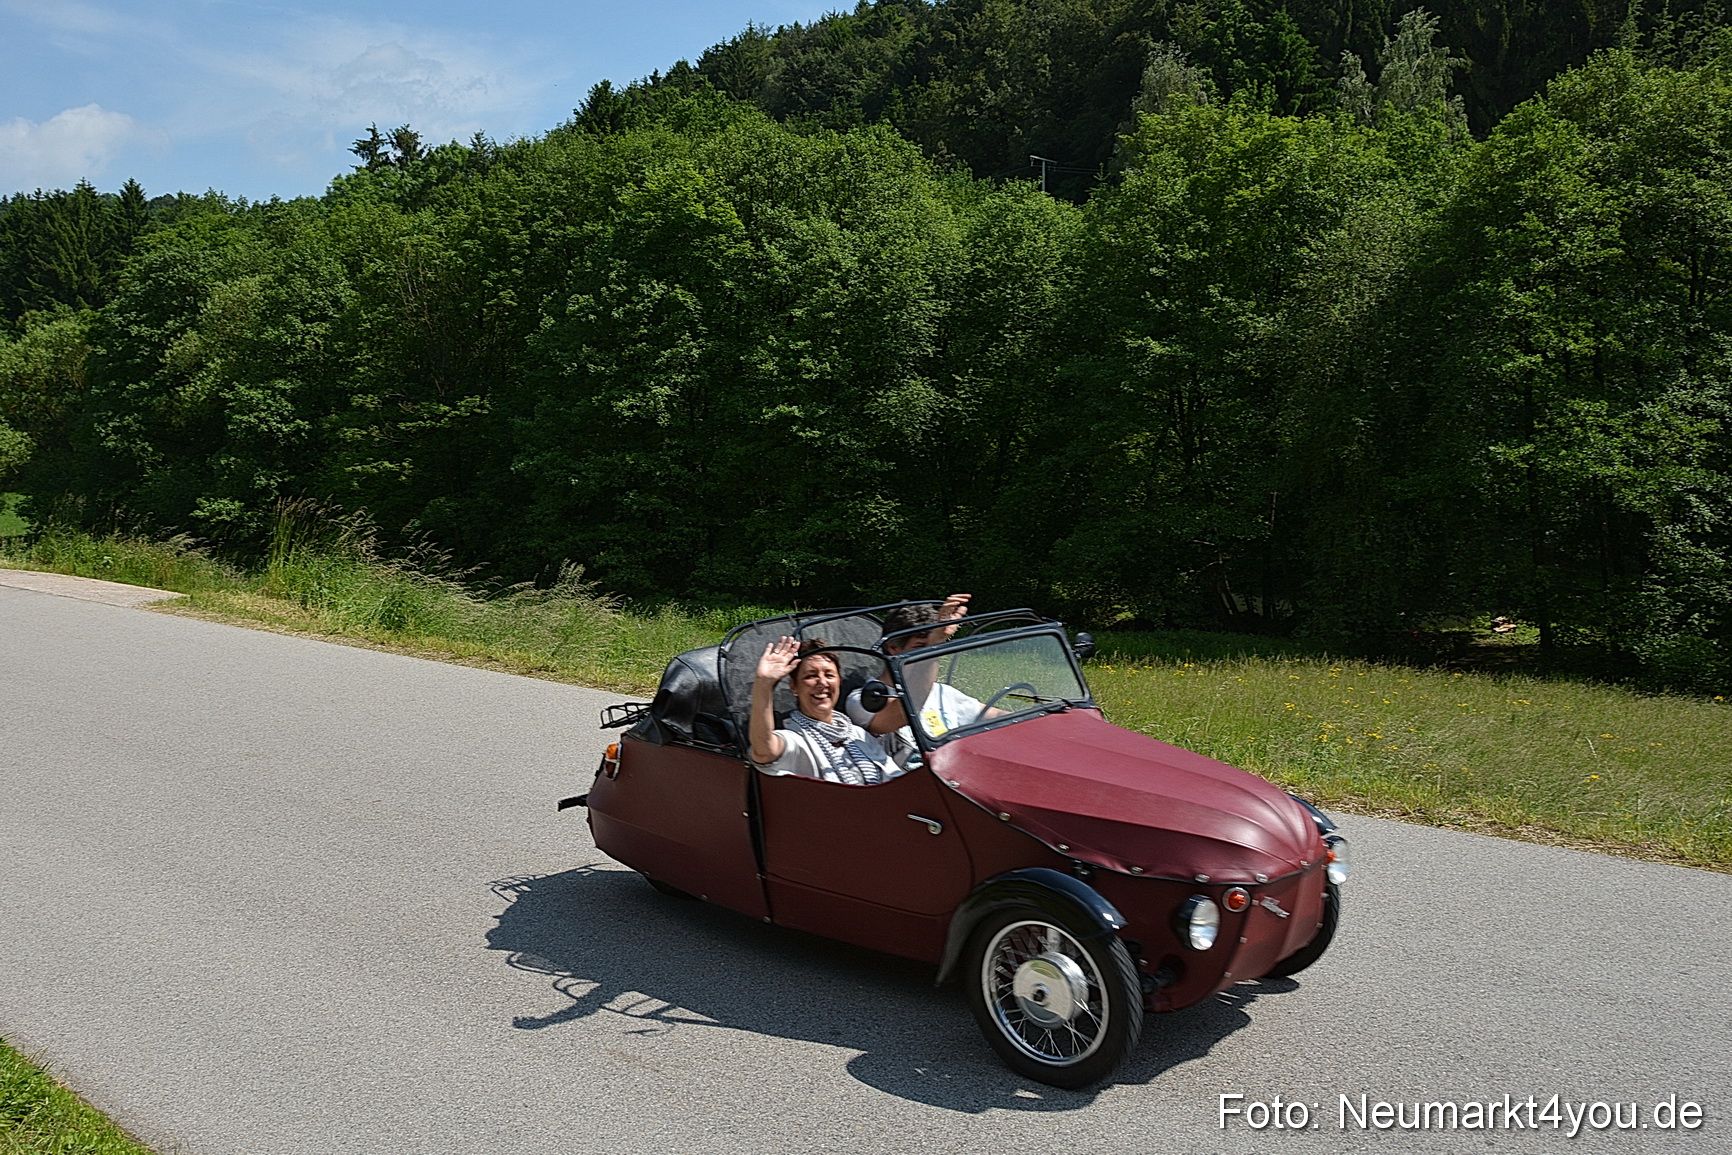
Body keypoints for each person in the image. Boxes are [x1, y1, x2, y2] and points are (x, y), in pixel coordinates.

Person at [845, 594, 1002, 746]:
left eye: (930, 648)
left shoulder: (942, 693)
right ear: (893, 647)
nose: (926, 654)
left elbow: (994, 716)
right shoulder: (864, 700)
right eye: (920, 647)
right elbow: (905, 712)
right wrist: (934, 645)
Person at [748, 635, 904, 785]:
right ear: (794, 686)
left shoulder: (858, 734)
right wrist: (764, 684)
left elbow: (895, 780)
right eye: (811, 676)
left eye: (829, 675)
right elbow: (764, 749)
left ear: (839, 682)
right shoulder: (796, 740)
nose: (822, 682)